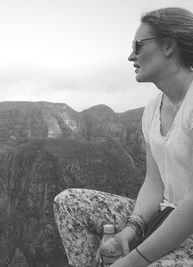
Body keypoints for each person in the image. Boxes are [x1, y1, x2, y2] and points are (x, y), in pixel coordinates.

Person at [53, 7, 193, 267]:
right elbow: (155, 182)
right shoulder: (153, 109)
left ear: (168, 46)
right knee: (69, 203)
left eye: (138, 46)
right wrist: (130, 231)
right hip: (165, 216)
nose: (131, 56)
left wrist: (135, 259)